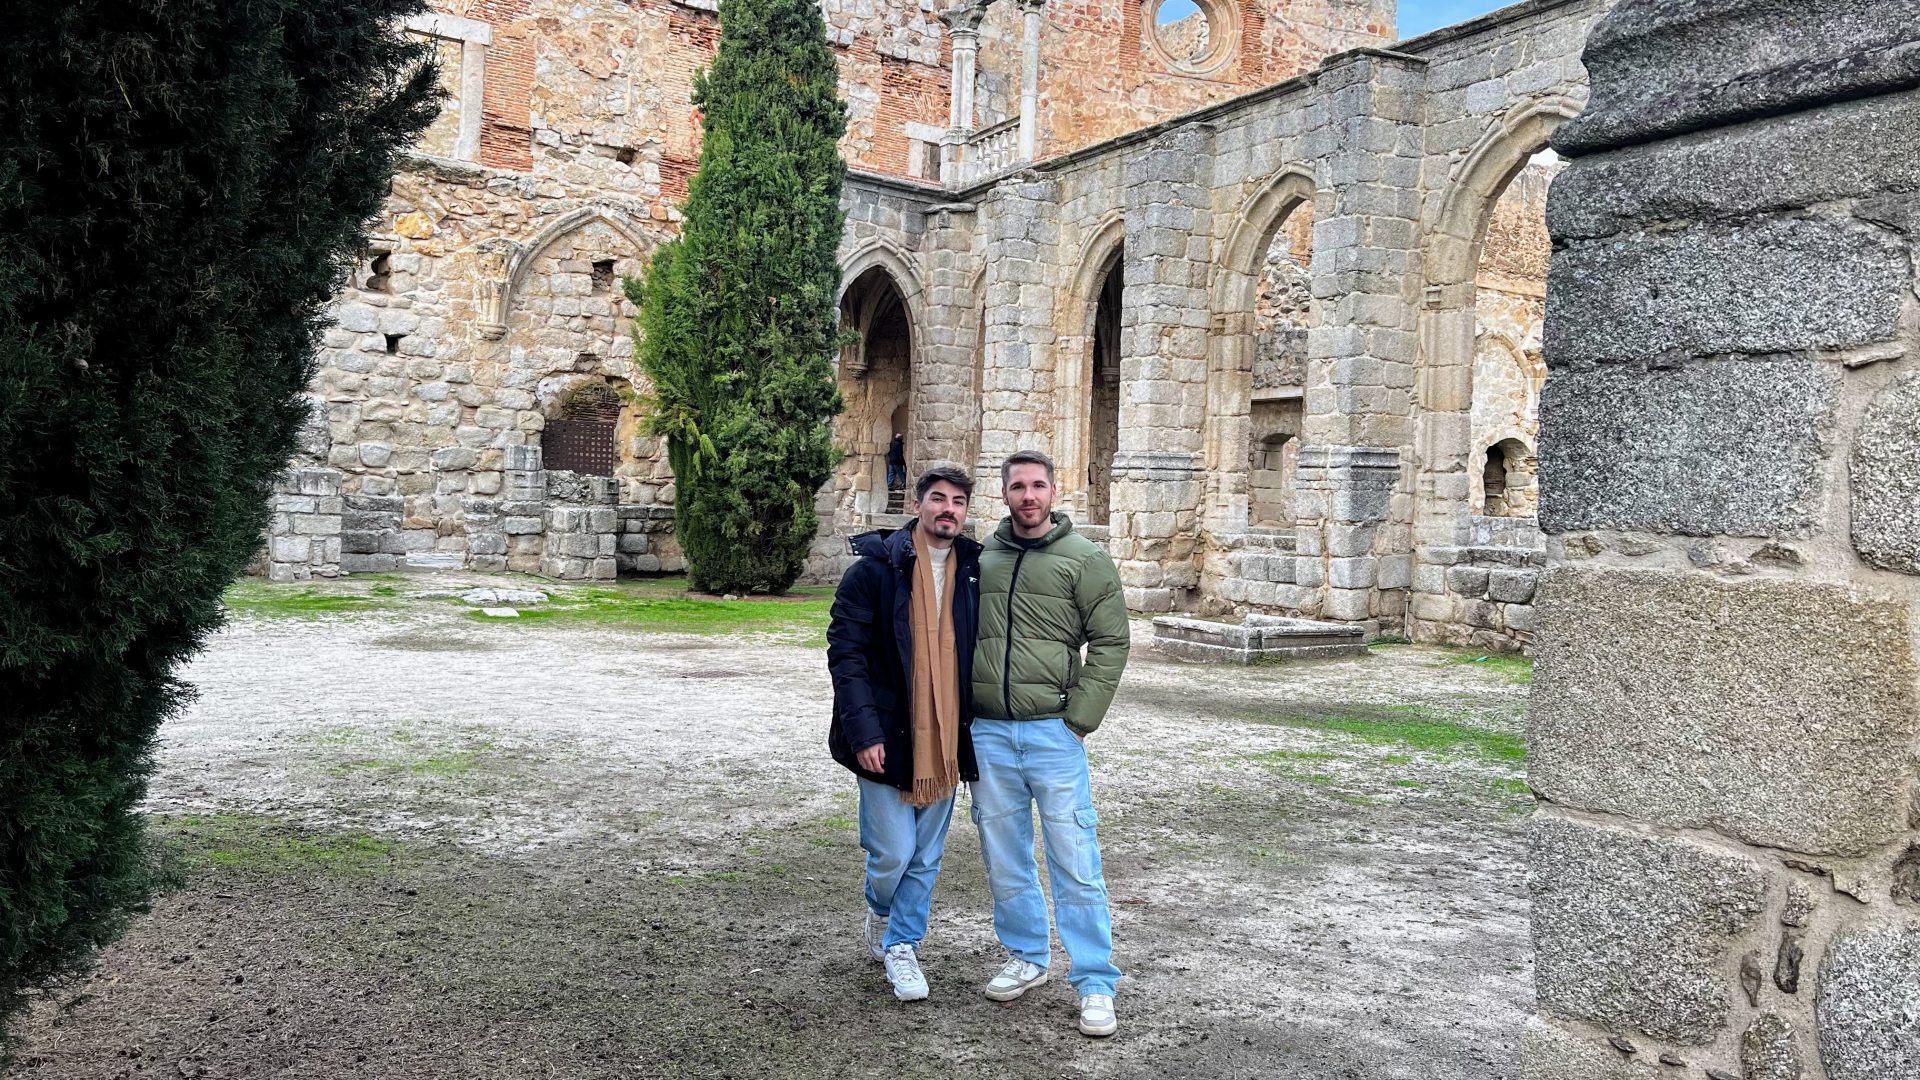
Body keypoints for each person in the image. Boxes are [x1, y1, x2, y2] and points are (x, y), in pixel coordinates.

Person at [969, 449, 1129, 1037]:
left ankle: (1094, 980)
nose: (1028, 496)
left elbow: (1111, 641)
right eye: (1018, 487)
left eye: (1038, 486)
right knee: (1006, 855)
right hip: (987, 732)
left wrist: (1077, 721)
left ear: (1054, 492)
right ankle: (1027, 956)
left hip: (1052, 733)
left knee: (1074, 858)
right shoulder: (982, 557)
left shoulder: (1084, 560)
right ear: (1004, 494)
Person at [826, 465, 980, 1001]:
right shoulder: (872, 572)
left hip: (945, 738)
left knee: (927, 855)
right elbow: (846, 657)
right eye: (938, 499)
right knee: (893, 850)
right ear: (918, 505)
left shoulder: (975, 572)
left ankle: (902, 945)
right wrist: (863, 732)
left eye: (958, 502)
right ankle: (879, 905)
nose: (948, 510)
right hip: (888, 734)